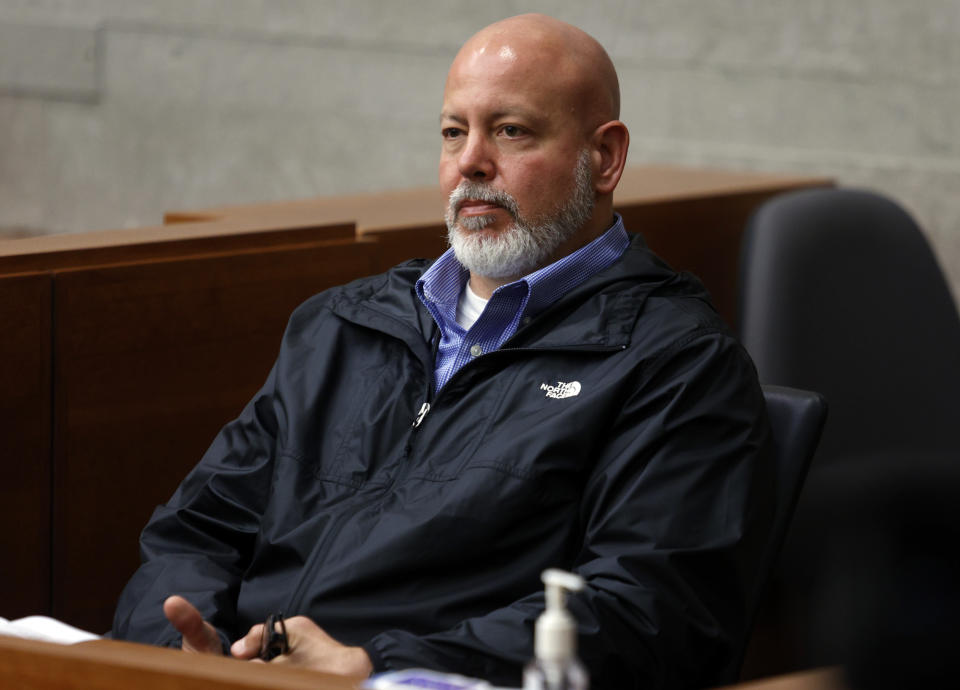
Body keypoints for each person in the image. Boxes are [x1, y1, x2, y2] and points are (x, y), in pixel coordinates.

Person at [112, 13, 774, 689]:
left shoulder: (677, 362)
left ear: (603, 159)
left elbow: (649, 613)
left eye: (510, 131)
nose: (470, 162)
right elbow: (193, 532)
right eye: (454, 132)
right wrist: (185, 650)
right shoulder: (345, 324)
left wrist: (377, 665)